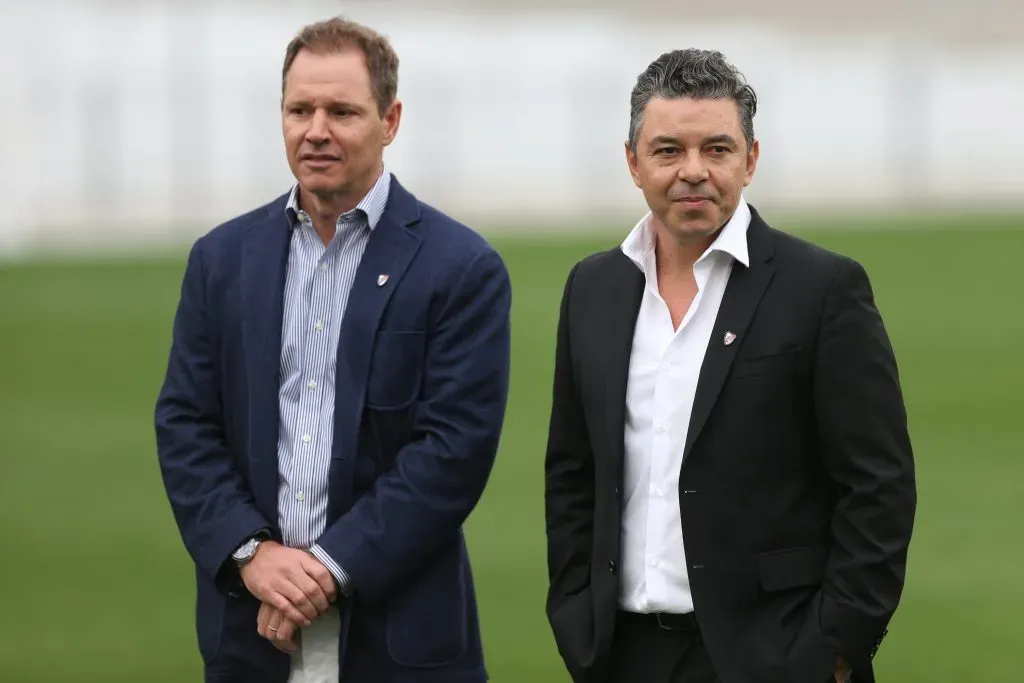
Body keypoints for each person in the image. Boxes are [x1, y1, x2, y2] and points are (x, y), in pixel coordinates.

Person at [154, 16, 511, 683]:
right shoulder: (221, 260)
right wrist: (252, 553)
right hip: (251, 635)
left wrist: (321, 568)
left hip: (402, 638)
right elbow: (186, 425)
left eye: (342, 110)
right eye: (299, 109)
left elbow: (452, 449)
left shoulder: (461, 266)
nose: (316, 129)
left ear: (390, 118)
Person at [543, 48, 916, 683]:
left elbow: (878, 485)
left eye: (716, 149)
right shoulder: (592, 288)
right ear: (633, 162)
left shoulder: (822, 289)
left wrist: (837, 645)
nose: (693, 171)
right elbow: (573, 472)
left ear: (751, 160)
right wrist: (578, 616)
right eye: (668, 151)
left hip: (775, 656)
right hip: (621, 654)